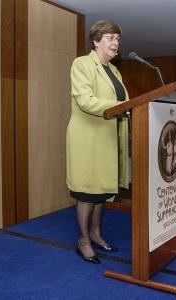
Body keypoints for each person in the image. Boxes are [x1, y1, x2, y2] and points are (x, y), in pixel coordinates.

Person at [66, 20, 129, 264]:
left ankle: (96, 233)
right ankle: (83, 240)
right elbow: (86, 100)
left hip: (107, 139)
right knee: (86, 192)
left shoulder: (114, 70)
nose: (116, 43)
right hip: (87, 138)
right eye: (111, 38)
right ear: (95, 41)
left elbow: (124, 102)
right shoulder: (81, 64)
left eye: (118, 39)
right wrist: (122, 107)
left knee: (101, 192)